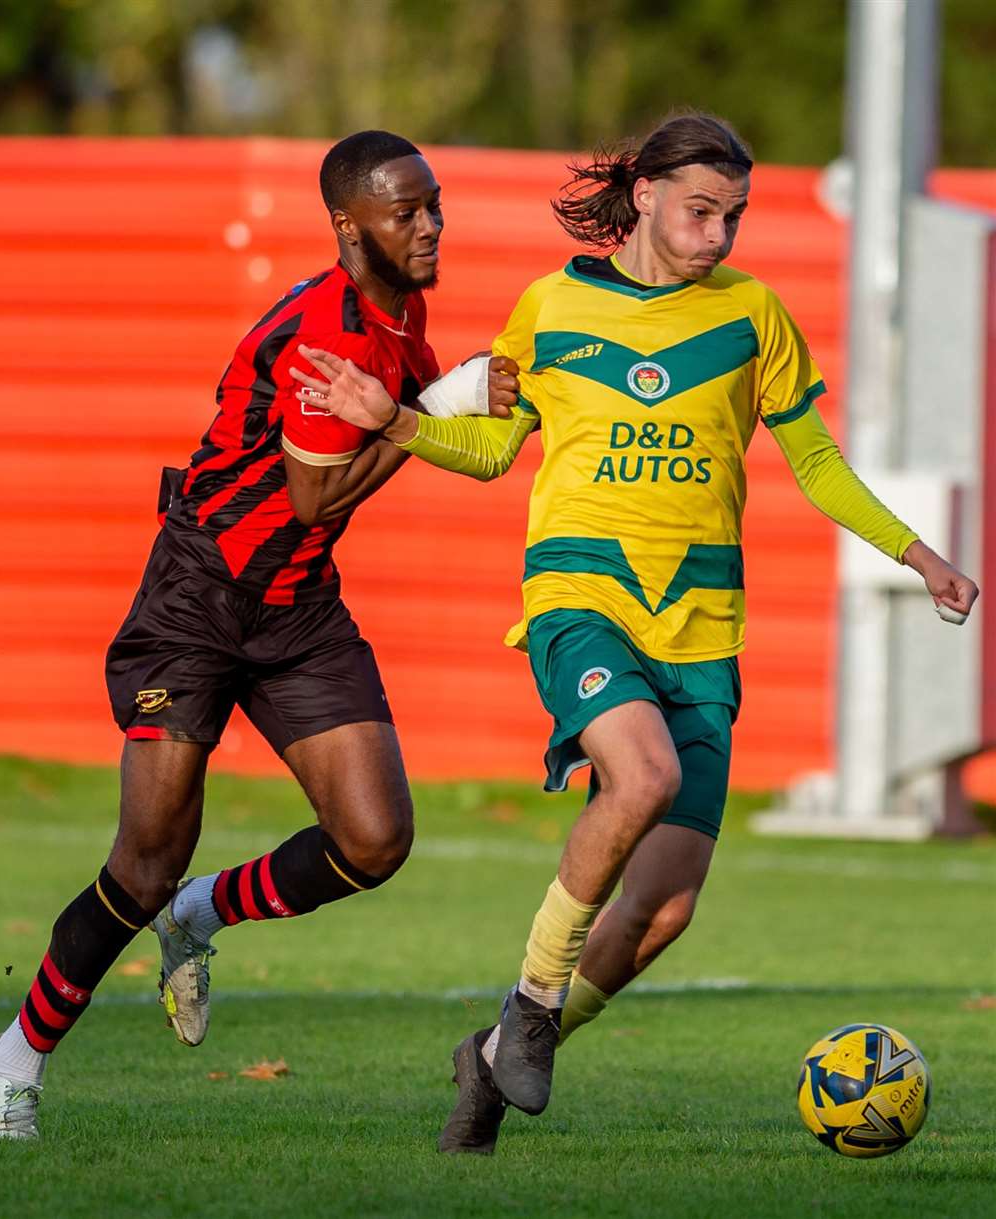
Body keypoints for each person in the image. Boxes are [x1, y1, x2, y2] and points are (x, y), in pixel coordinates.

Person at [288, 111, 980, 1155]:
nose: (718, 237)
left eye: (734, 218)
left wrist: (918, 553)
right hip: (582, 597)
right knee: (640, 773)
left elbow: (819, 465)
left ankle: (489, 1059)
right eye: (702, 212)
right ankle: (529, 1003)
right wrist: (394, 419)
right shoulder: (552, 307)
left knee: (663, 913)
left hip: (703, 631)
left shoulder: (753, 317)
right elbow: (489, 452)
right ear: (646, 194)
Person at [0, 128, 518, 1140]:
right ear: (348, 226)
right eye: (408, 211)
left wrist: (481, 410)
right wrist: (425, 410)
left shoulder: (404, 315)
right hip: (198, 597)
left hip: (299, 606)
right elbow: (315, 498)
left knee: (375, 837)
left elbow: (448, 443)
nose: (432, 224)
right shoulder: (329, 335)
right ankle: (13, 1059)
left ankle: (203, 915)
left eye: (435, 203)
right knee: (144, 859)